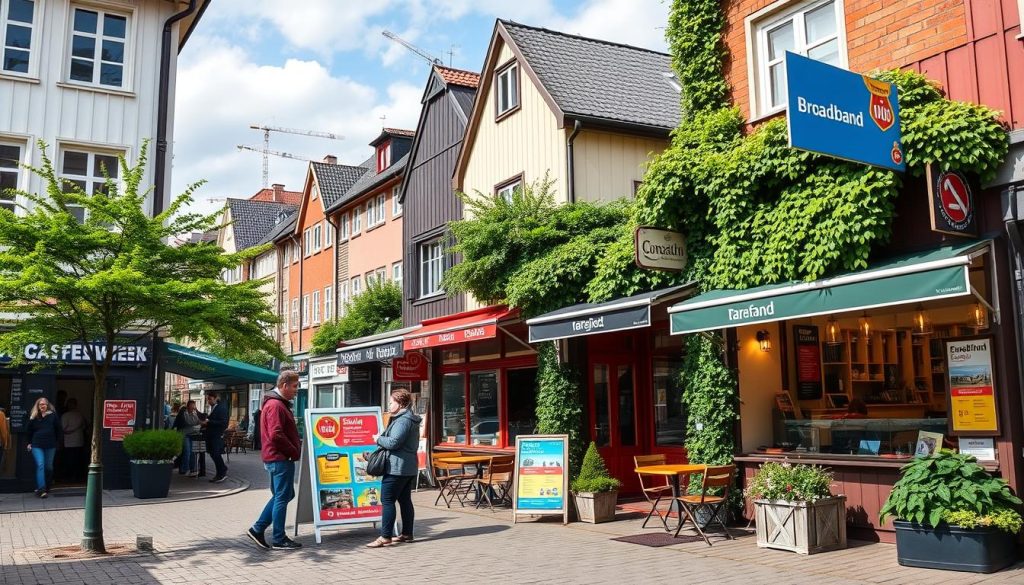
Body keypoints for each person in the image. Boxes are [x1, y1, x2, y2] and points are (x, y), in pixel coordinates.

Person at [247, 370, 302, 550]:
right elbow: (276, 434)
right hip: (280, 458)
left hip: (276, 457)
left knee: (284, 495)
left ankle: (258, 528)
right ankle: (277, 537)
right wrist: (293, 450)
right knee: (281, 496)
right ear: (284, 385)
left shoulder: (276, 404)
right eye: (295, 386)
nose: (297, 389)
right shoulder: (276, 406)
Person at [366, 389, 422, 548]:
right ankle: (407, 534)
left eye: (391, 402)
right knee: (405, 500)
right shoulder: (406, 419)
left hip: (397, 467)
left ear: (401, 403)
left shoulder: (403, 420)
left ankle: (385, 536)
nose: (389, 405)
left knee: (387, 500)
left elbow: (394, 442)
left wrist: (379, 439)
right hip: (408, 466)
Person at [26, 396, 62, 498]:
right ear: (38, 406)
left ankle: (47, 486)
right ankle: (41, 490)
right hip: (37, 444)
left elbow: (58, 429)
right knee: (40, 465)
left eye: (44, 404)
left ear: (48, 405)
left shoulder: (53, 416)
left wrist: (58, 442)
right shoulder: (34, 417)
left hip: (50, 444)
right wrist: (29, 443)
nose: (43, 406)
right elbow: (29, 431)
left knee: (49, 467)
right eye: (41, 404)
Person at [203, 391, 229, 483]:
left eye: (210, 399)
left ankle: (221, 472)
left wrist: (209, 422)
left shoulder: (221, 408)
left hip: (216, 435)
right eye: (208, 399)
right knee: (213, 453)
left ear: (215, 398)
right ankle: (221, 471)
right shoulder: (213, 408)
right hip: (211, 435)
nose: (208, 401)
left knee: (215, 453)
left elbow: (224, 423)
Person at [60, 399, 87, 482]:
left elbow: (63, 428)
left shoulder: (65, 415)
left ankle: (69, 478)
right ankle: (77, 477)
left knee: (69, 460)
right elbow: (84, 427)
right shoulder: (80, 415)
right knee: (78, 460)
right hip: (79, 441)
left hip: (68, 442)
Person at [173, 400, 202, 476]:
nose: (193, 407)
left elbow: (197, 421)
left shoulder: (194, 413)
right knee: (187, 451)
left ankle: (192, 469)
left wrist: (200, 421)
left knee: (192, 452)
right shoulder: (184, 413)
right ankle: (184, 469)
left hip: (192, 435)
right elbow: (189, 422)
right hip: (184, 434)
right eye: (192, 405)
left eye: (194, 405)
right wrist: (199, 423)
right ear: (188, 406)